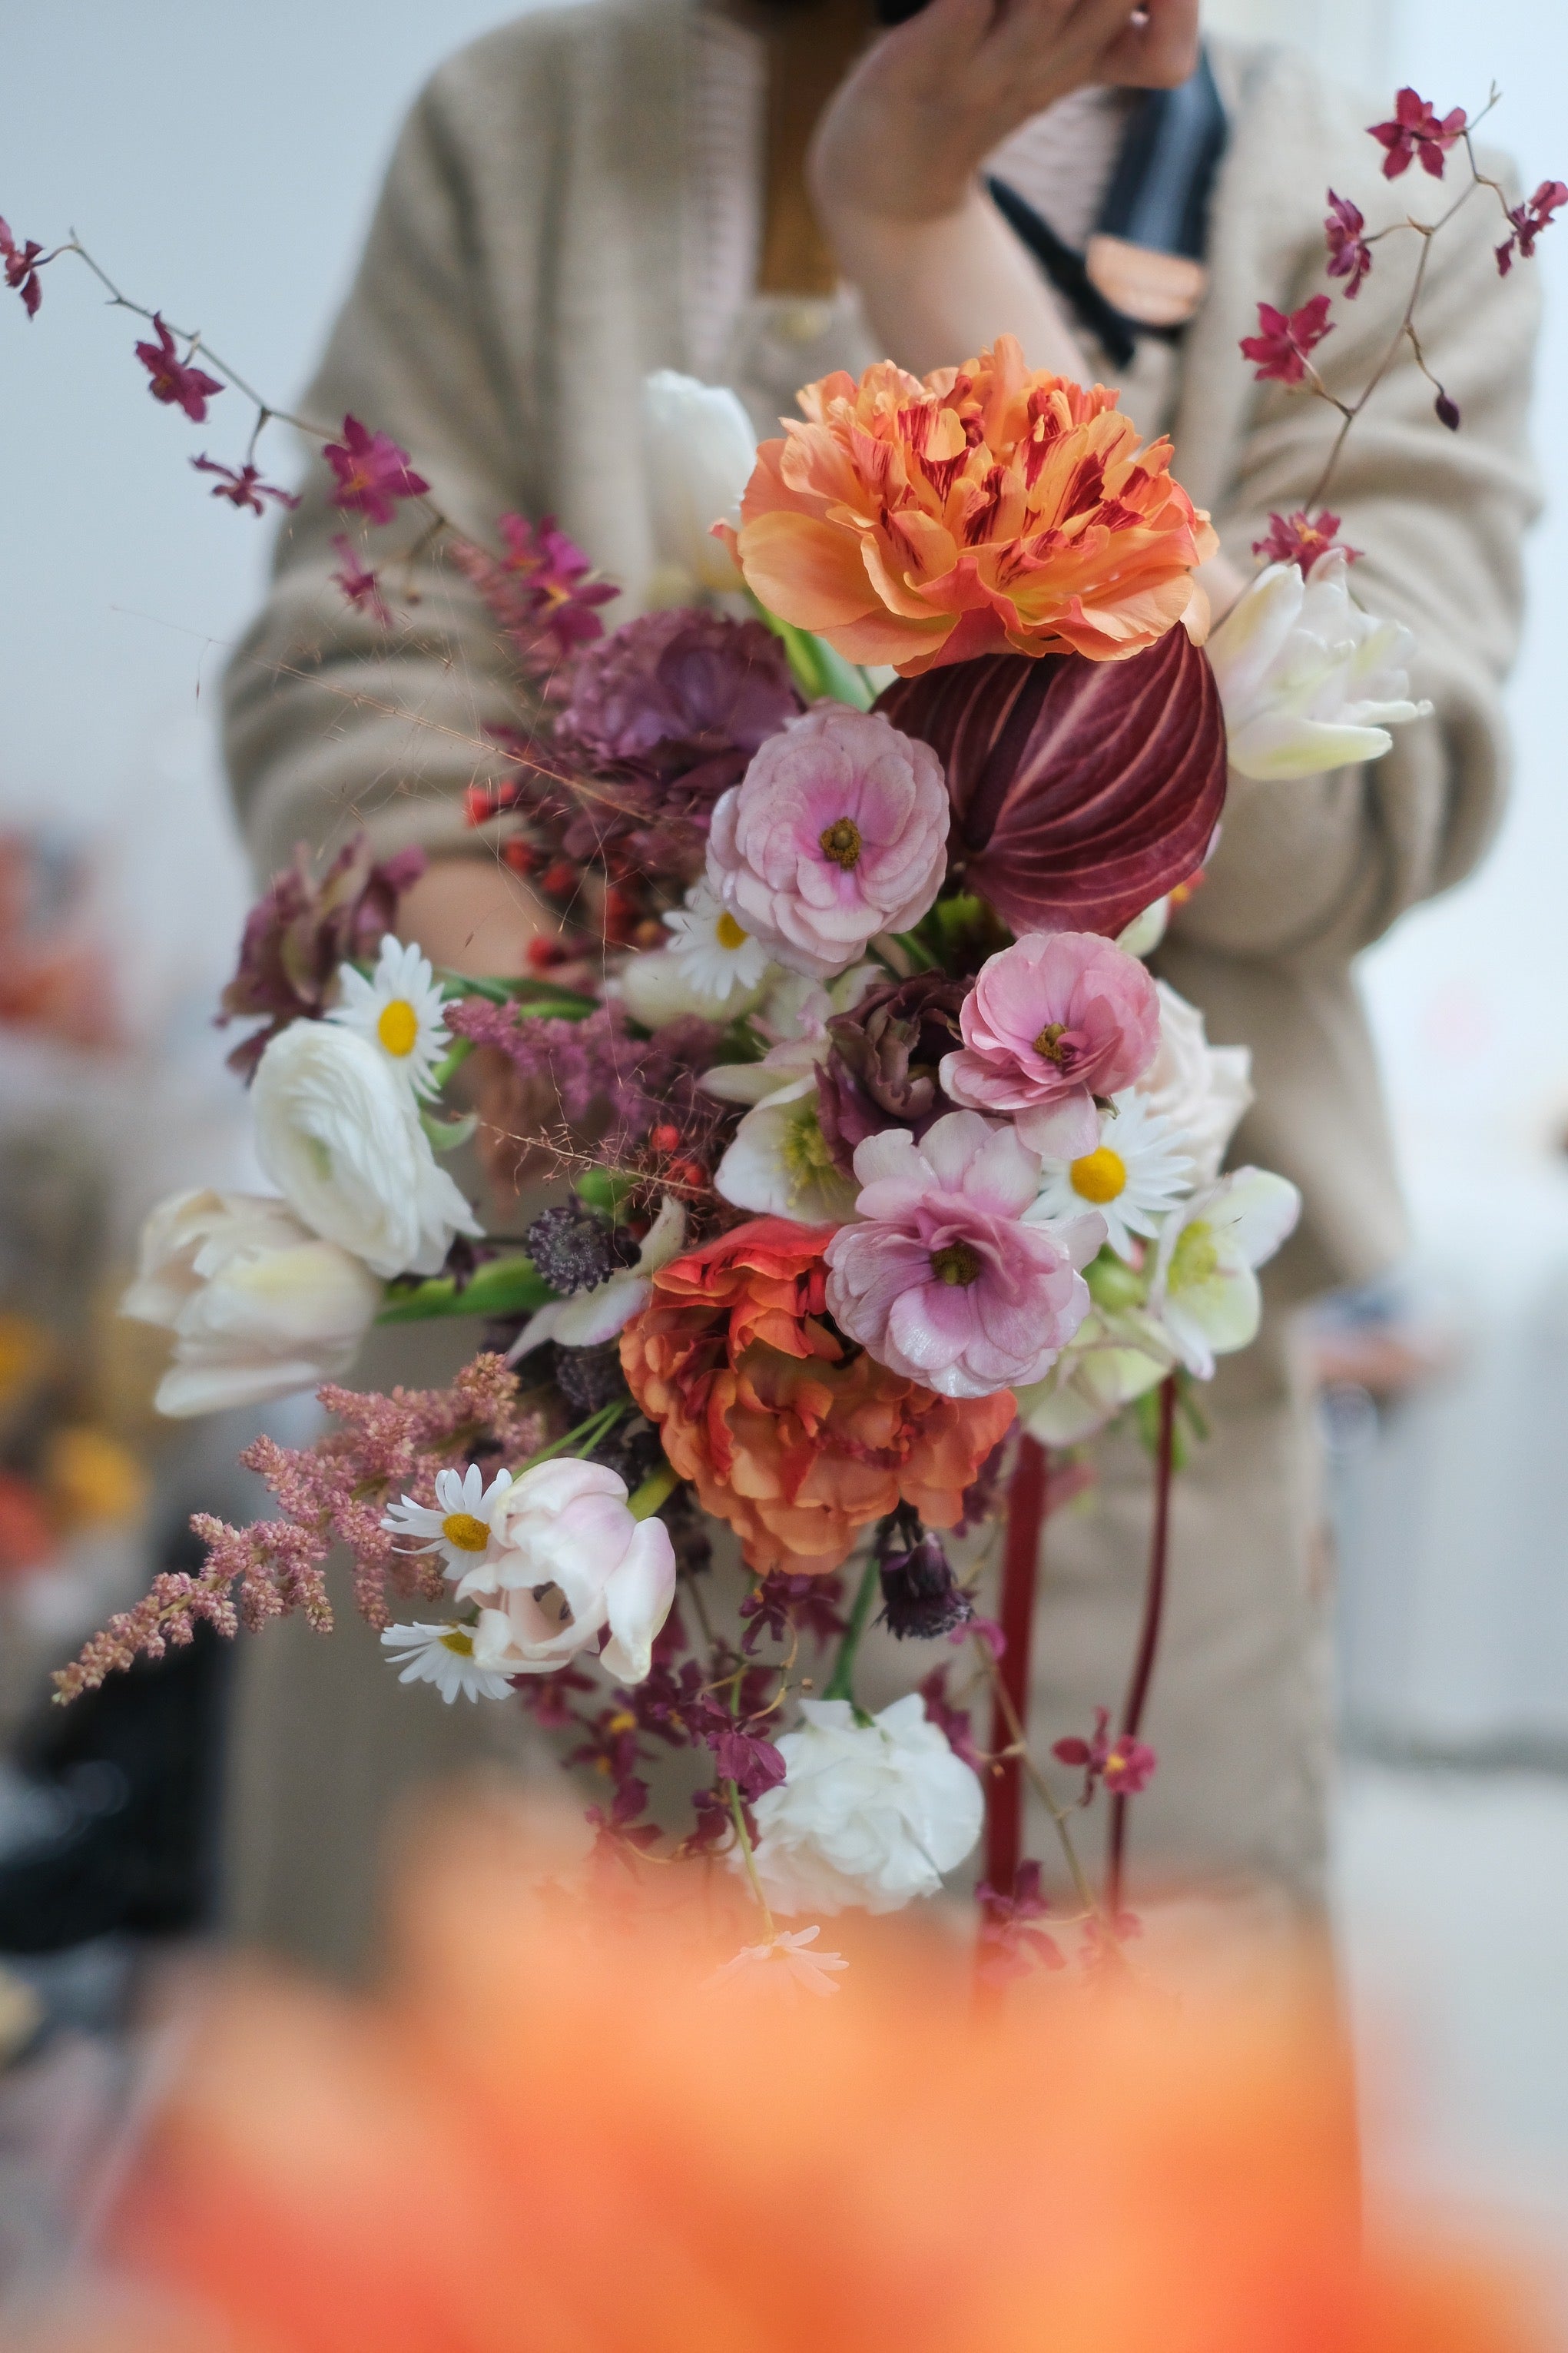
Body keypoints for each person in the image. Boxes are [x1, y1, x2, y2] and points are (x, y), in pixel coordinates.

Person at [222, 0, 1539, 1976]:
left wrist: (914, 230)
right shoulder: (525, 131)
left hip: (1091, 1499)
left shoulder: (1386, 212)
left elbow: (1337, 825)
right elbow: (354, 687)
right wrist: (627, 1138)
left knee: (1065, 2229)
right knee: (504, 2207)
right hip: (538, 1430)